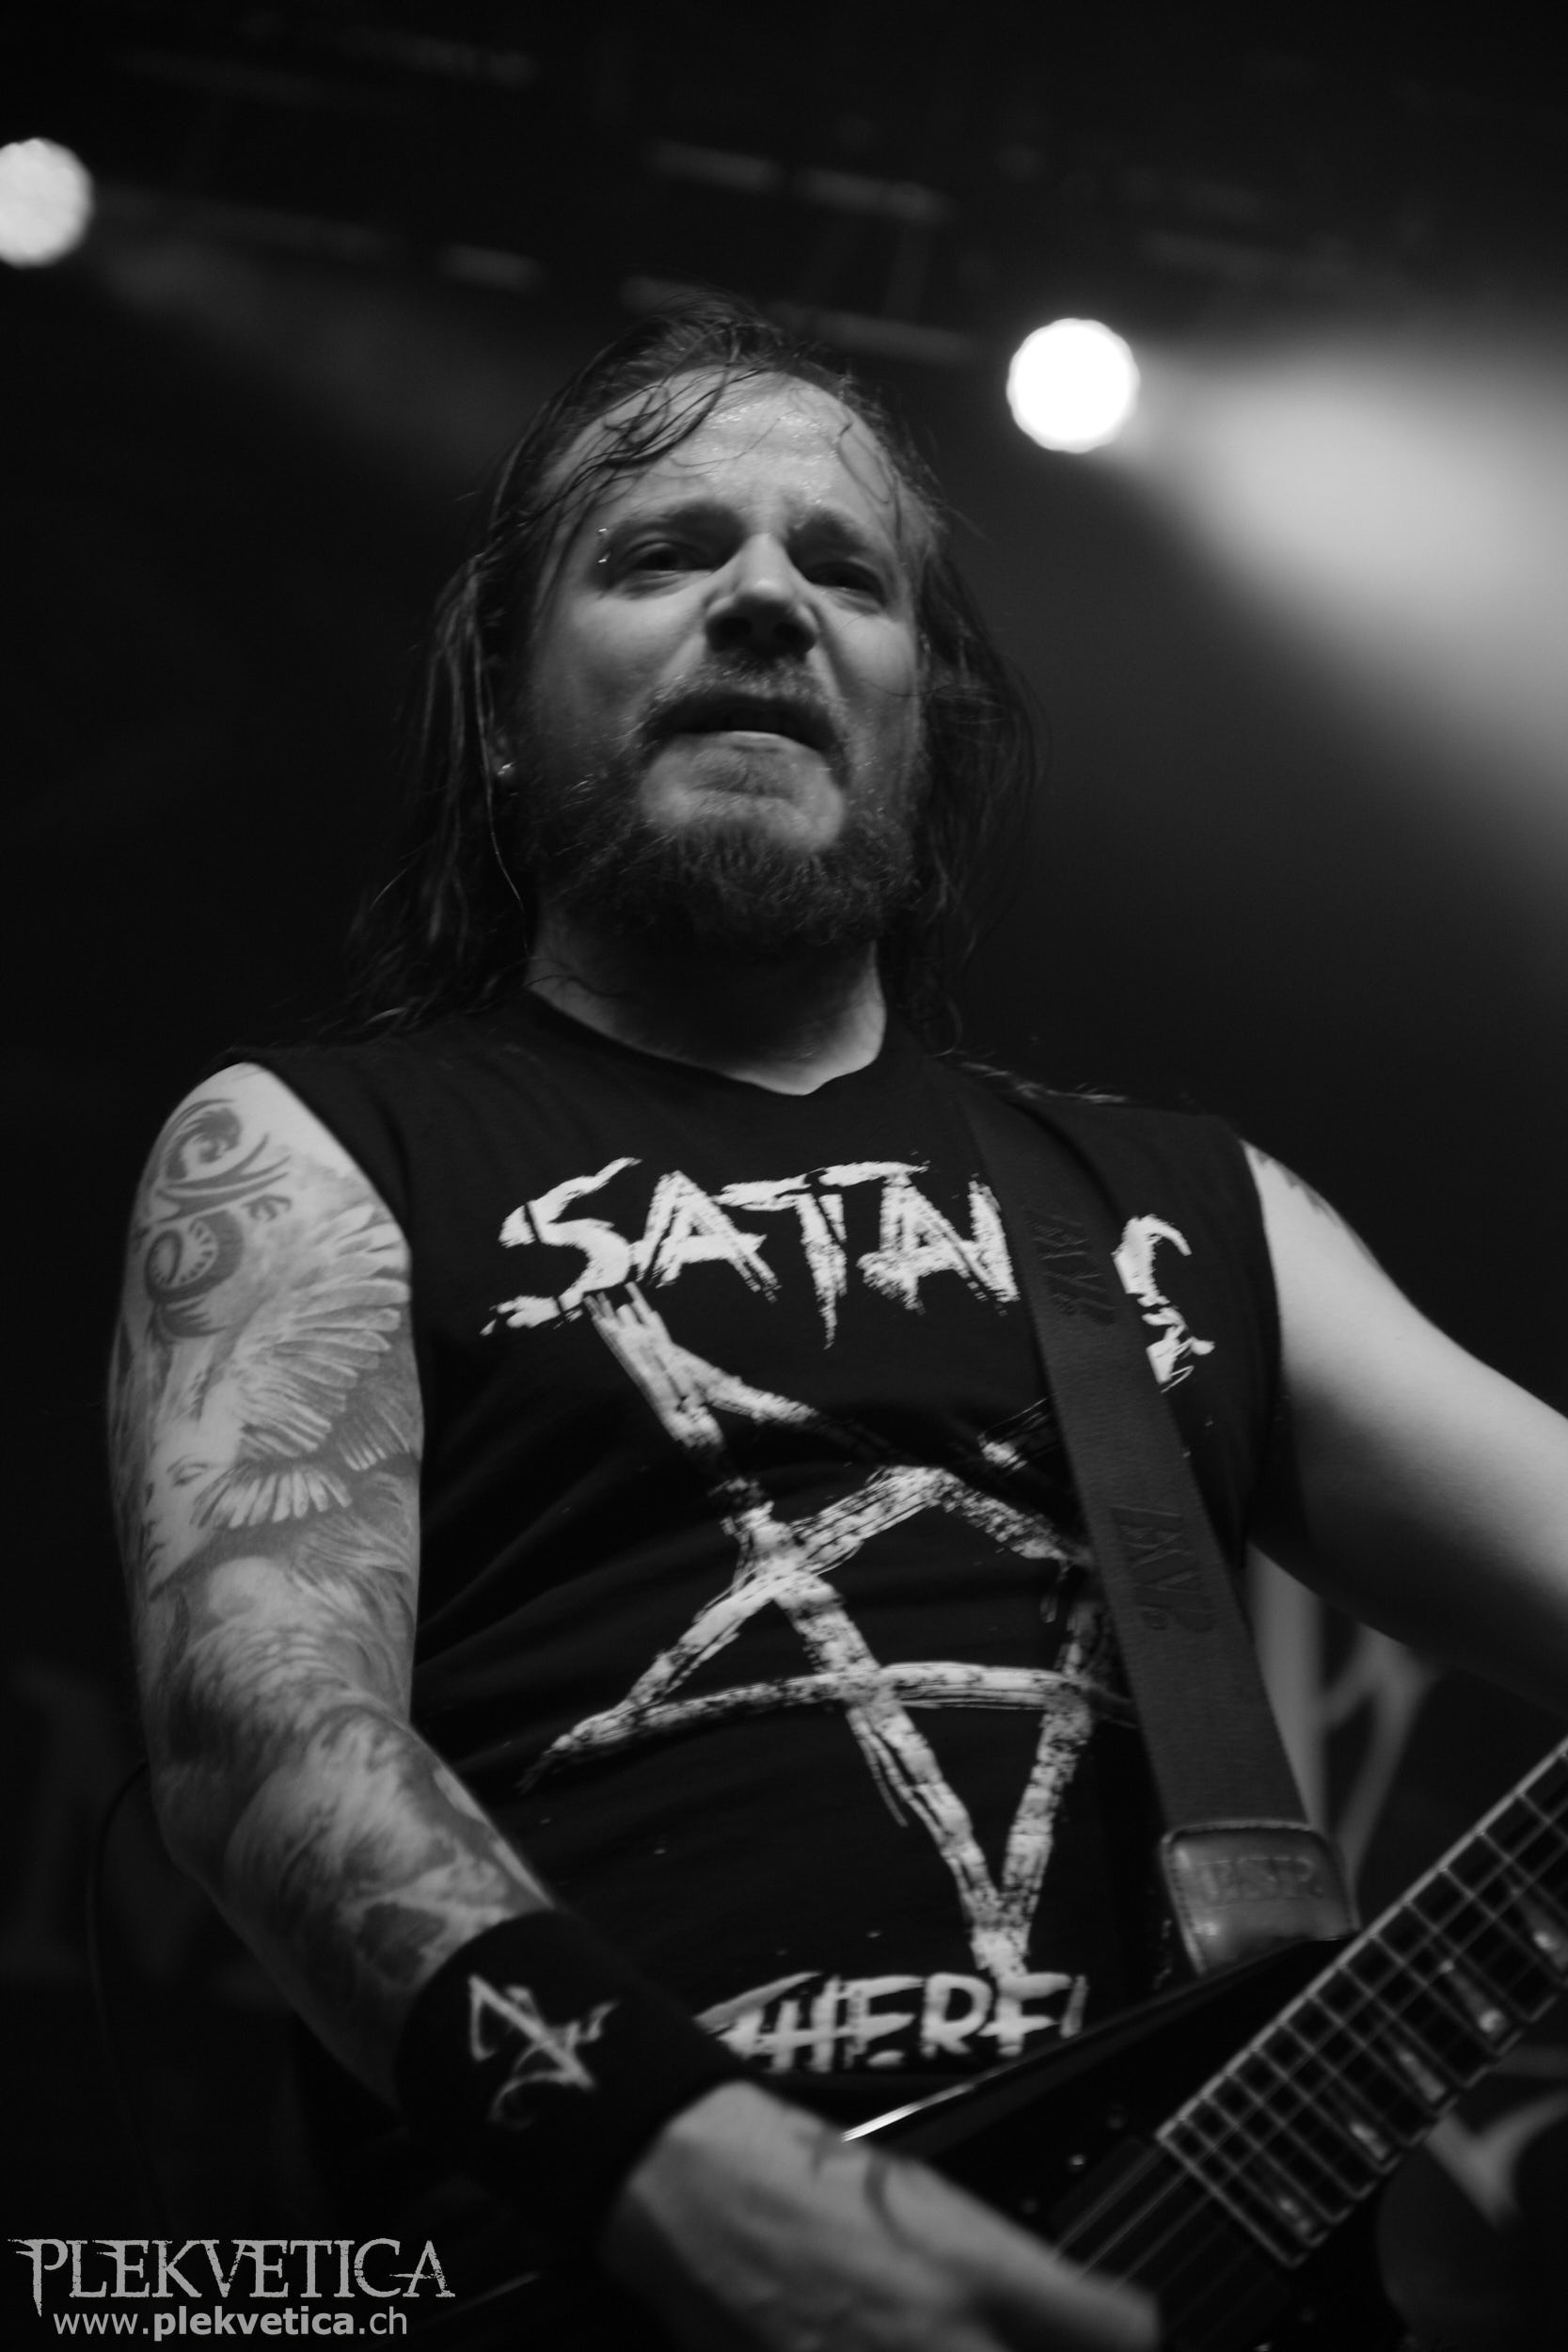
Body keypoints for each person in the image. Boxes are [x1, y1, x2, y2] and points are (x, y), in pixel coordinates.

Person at [110, 298, 1568, 2350]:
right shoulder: (320, 1146)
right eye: (661, 551)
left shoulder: (1177, 1209)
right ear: (505, 707)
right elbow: (258, 1731)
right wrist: (666, 2157)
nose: (767, 600)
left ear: (919, 720)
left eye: (845, 570)